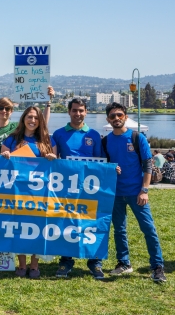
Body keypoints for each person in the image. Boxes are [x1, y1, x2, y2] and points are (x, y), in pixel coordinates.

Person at [103, 102, 166, 282]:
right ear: (108, 119)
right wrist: (110, 169)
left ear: (126, 117)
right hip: (115, 193)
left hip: (137, 193)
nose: (116, 118)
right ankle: (124, 263)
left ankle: (157, 266)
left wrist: (144, 190)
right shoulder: (105, 141)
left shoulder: (138, 138)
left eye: (119, 115)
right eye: (113, 116)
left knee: (149, 229)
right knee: (119, 230)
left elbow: (148, 165)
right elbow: (104, 165)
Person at [0, 106, 57, 279]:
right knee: (19, 226)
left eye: (36, 118)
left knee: (37, 227)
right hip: (17, 191)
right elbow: (1, 158)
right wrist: (5, 155)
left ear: (40, 121)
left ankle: (34, 265)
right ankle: (22, 264)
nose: (32, 121)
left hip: (39, 193)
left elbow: (57, 164)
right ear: (23, 119)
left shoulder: (47, 140)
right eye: (29, 117)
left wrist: (52, 159)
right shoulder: (11, 139)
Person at [52, 98, 105, 279]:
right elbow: (53, 159)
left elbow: (100, 163)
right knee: (68, 223)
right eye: (74, 110)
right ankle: (66, 262)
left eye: (81, 110)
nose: (78, 114)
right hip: (67, 188)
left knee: (92, 223)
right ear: (69, 112)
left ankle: (95, 262)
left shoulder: (94, 135)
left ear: (86, 112)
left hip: (90, 189)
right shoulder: (58, 134)